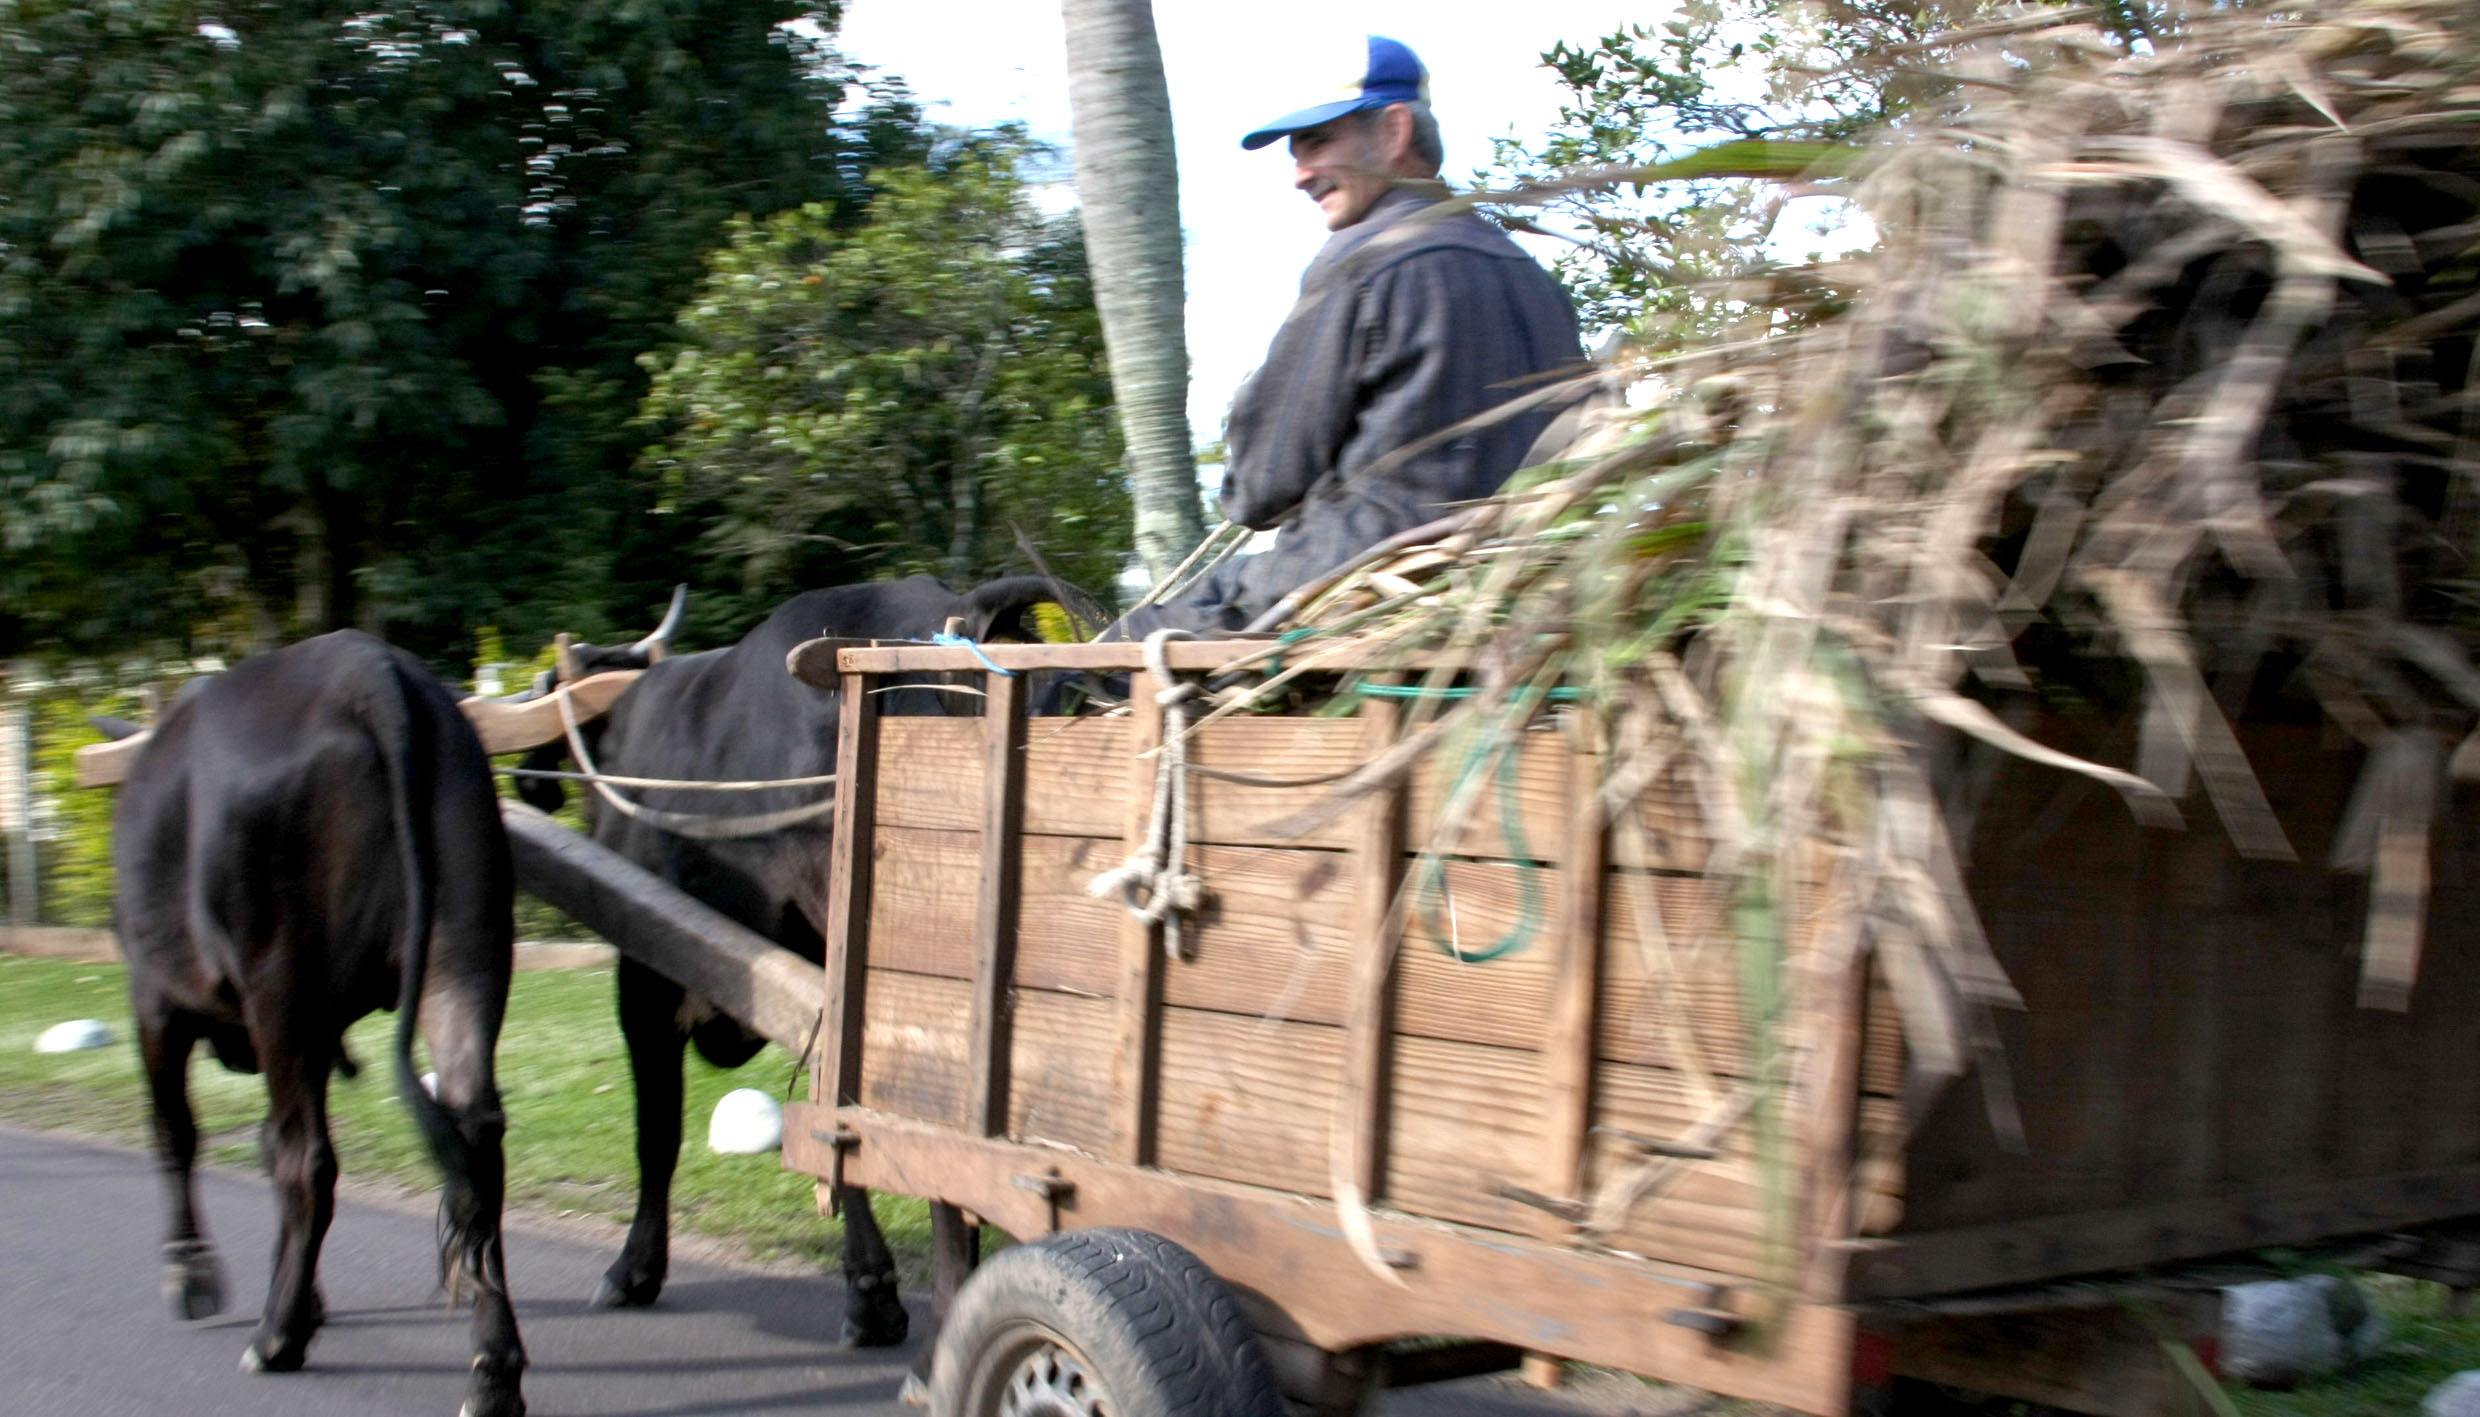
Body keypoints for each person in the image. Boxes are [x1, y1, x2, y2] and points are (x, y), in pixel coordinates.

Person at [1117, 34, 1585, 638]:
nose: (1299, 175)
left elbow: (1261, 490)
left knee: (1108, 654)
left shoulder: (1366, 261)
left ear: (1393, 133)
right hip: (1514, 578)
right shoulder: (1526, 272)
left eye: (1316, 142)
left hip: (1364, 578)